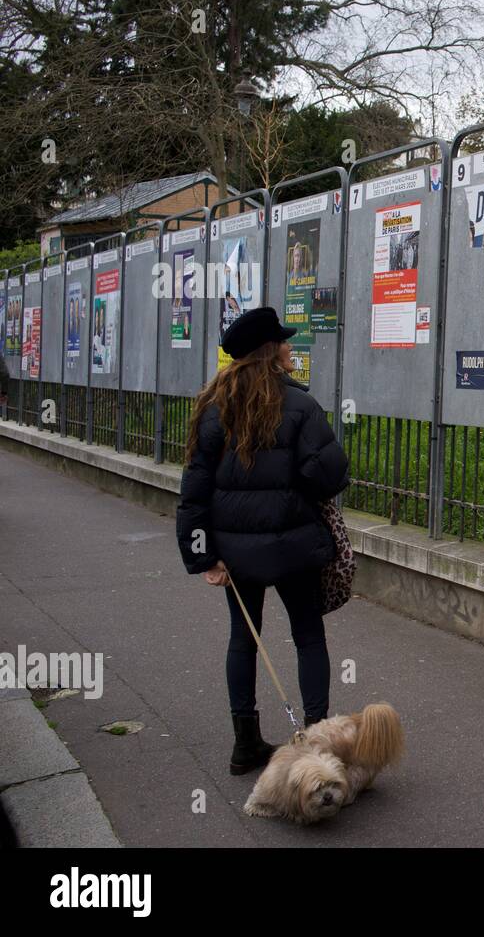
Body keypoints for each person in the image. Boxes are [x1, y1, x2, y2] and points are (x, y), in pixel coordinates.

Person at [176, 307, 349, 776]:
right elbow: (329, 475)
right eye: (286, 342)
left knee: (243, 639)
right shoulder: (300, 406)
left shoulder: (214, 407)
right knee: (308, 636)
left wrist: (203, 556)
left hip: (235, 554)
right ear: (271, 352)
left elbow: (194, 489)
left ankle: (245, 743)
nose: (292, 348)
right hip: (294, 547)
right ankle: (317, 743)